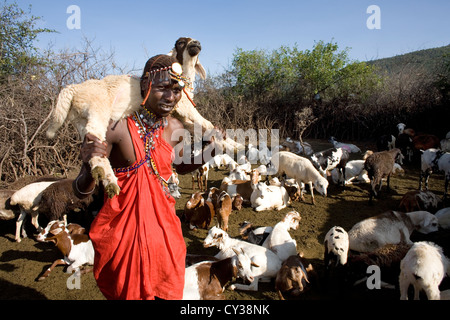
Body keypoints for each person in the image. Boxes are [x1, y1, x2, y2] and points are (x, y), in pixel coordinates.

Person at [73, 54, 217, 300]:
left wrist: (212, 150)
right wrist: (89, 167)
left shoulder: (175, 128)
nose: (171, 97)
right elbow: (80, 191)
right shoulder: (116, 127)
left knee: (167, 289)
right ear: (145, 86)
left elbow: (180, 167)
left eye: (176, 89)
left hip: (165, 231)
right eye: (162, 88)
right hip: (124, 236)